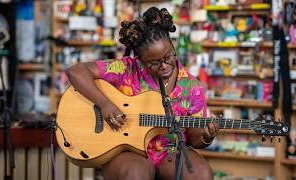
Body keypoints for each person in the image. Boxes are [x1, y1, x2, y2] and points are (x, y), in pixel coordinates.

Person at [66, 7, 219, 180]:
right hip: (125, 149)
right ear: (140, 60)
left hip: (168, 151)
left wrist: (206, 137)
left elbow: (193, 138)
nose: (164, 65)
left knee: (202, 175)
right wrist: (105, 104)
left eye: (168, 56)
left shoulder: (192, 85)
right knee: (135, 174)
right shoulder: (125, 69)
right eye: (154, 63)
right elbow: (76, 72)